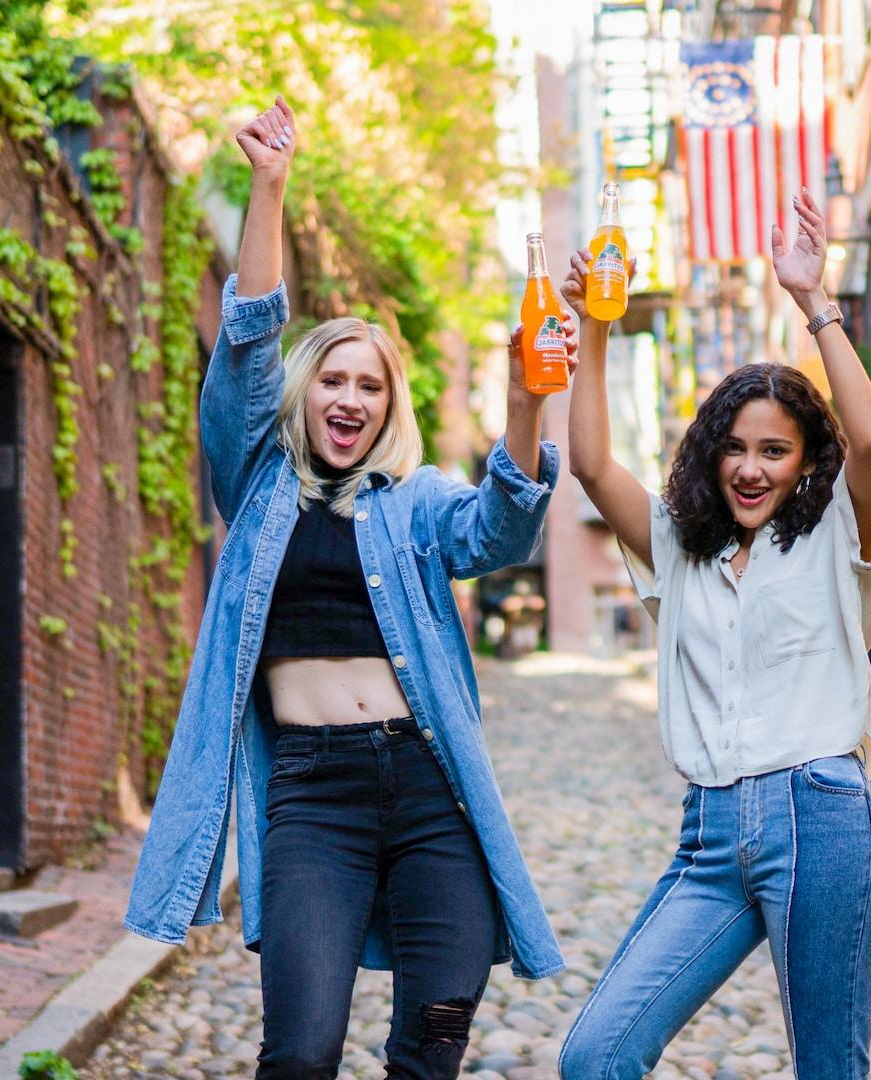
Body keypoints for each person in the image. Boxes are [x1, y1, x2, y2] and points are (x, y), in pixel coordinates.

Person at [122, 96, 570, 1079]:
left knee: (436, 1037)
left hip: (428, 790)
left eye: (371, 387)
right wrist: (270, 185)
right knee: (303, 1051)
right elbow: (244, 347)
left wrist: (525, 393)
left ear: (387, 407)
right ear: (304, 394)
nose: (351, 400)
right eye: (334, 380)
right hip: (312, 798)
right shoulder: (254, 482)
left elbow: (499, 525)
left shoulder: (413, 502)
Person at [556, 189, 871, 1079]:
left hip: (820, 817)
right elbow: (591, 466)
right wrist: (597, 323)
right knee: (597, 1056)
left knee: (831, 1069)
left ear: (802, 463)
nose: (751, 467)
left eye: (775, 450)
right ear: (712, 452)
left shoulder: (835, 536)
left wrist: (813, 301)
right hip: (709, 833)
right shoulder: (681, 550)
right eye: (736, 448)